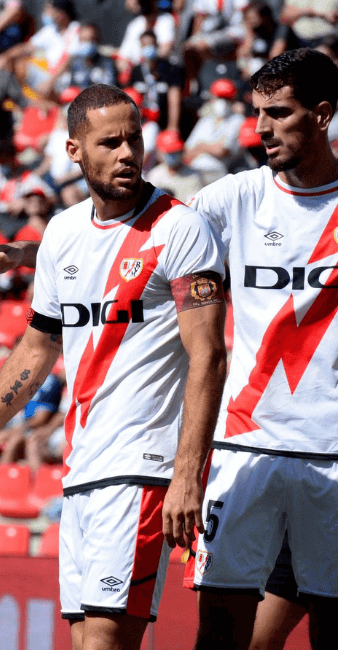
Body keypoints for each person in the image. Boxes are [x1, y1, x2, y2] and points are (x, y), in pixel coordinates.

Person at [0, 84, 227, 650]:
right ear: (73, 150)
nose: (126, 154)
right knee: (85, 640)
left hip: (142, 466)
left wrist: (187, 472)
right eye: (109, 142)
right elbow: (37, 349)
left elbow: (209, 356)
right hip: (82, 468)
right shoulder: (62, 234)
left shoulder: (179, 229)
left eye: (133, 140)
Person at [186, 48, 338, 650]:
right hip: (245, 450)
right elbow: (139, 238)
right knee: (222, 636)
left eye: (279, 113)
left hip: (332, 455)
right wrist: (31, 251)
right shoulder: (236, 197)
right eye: (258, 114)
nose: (262, 128)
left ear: (322, 114)